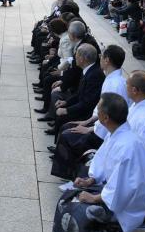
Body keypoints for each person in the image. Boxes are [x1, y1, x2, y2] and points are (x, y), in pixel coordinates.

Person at [53, 93, 145, 232]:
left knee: (75, 213)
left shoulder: (128, 146)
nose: (97, 111)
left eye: (99, 109)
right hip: (113, 192)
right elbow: (103, 160)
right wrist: (91, 180)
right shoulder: (116, 132)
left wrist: (94, 198)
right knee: (67, 197)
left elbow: (124, 189)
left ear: (106, 118)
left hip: (127, 206)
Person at [50, 44, 129, 179]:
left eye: (102, 56)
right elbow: (101, 108)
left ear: (107, 60)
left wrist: (89, 129)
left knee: (69, 133)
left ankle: (72, 174)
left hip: (105, 133)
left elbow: (109, 116)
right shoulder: (111, 79)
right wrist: (88, 121)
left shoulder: (114, 84)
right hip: (101, 123)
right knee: (68, 127)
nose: (100, 58)